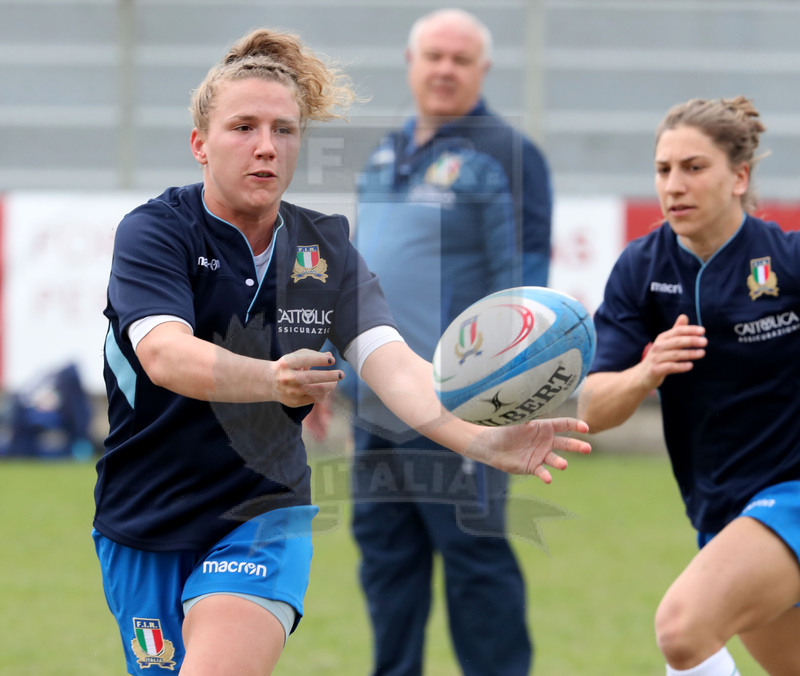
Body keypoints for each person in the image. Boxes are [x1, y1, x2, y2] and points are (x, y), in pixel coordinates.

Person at [92, 26, 589, 676]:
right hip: (141, 519)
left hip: (260, 517)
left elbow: (396, 366)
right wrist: (272, 378)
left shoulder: (322, 250)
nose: (266, 147)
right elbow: (166, 356)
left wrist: (479, 439)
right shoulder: (156, 232)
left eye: (285, 130)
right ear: (199, 145)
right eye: (243, 127)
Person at [342, 9, 552, 676]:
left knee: (475, 567)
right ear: (410, 61)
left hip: (461, 407)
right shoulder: (384, 151)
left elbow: (521, 288)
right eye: (433, 55)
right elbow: (357, 274)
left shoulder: (508, 156)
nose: (444, 69)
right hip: (376, 402)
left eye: (460, 59)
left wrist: (497, 389)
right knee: (385, 565)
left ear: (482, 71)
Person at [578, 96, 800, 676]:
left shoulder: (788, 261)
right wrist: (646, 373)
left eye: (694, 167)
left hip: (791, 496)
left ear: (739, 177)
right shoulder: (641, 269)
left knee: (683, 629)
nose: (674, 184)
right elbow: (592, 409)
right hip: (721, 508)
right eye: (663, 169)